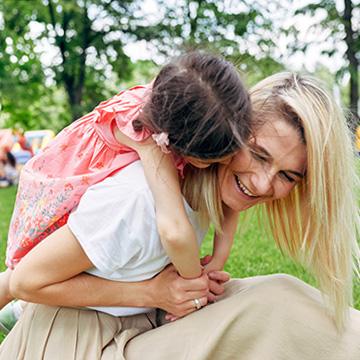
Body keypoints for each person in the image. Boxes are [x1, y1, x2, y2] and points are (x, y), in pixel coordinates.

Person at [1, 72, 359, 359]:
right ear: (231, 132)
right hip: (74, 343)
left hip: (132, 324)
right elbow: (25, 281)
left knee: (281, 297)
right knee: (272, 309)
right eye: (259, 155)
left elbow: (222, 221)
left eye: (287, 176)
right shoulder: (139, 198)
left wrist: (200, 277)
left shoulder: (205, 189)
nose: (264, 184)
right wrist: (157, 292)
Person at [0, 52, 252, 311]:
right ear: (179, 145)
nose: (222, 166)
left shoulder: (185, 98)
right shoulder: (149, 139)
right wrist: (194, 284)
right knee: (25, 275)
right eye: (211, 162)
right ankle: (23, 312)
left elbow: (228, 199)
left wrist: (217, 261)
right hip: (68, 183)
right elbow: (174, 229)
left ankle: (20, 311)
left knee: (46, 272)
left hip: (95, 173)